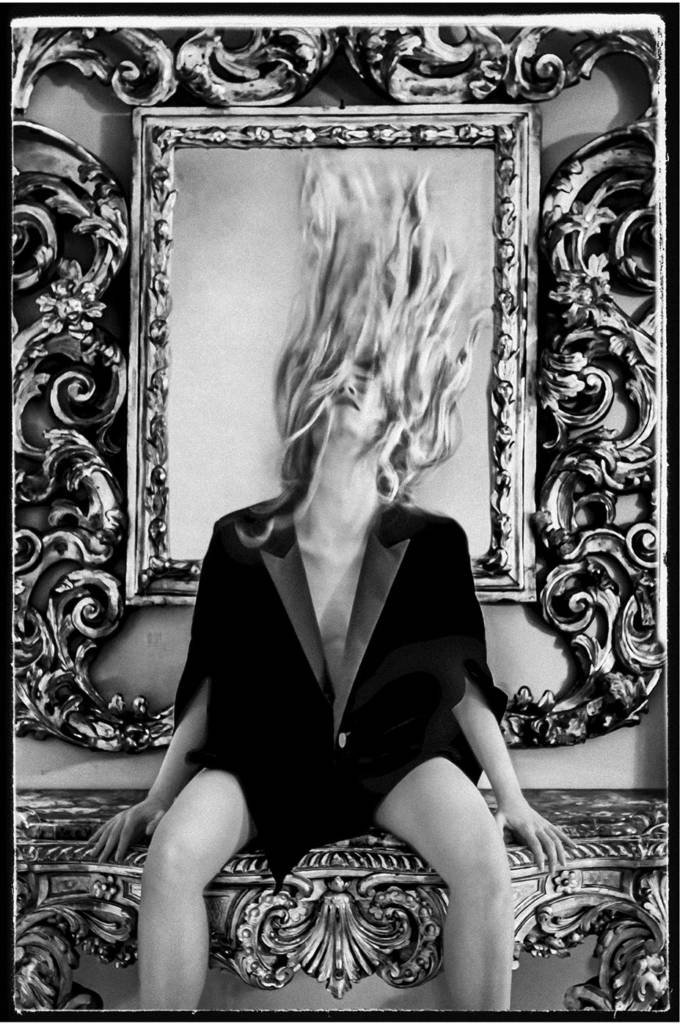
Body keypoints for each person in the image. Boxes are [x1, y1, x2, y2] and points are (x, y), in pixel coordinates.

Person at [87, 165, 572, 1011]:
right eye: (341, 362)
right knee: (172, 857)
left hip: (399, 758)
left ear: (399, 407)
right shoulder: (240, 539)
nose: (352, 376)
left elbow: (464, 687)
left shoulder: (434, 543)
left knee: (484, 860)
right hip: (265, 759)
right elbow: (210, 683)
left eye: (372, 369)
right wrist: (157, 798)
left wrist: (514, 800)